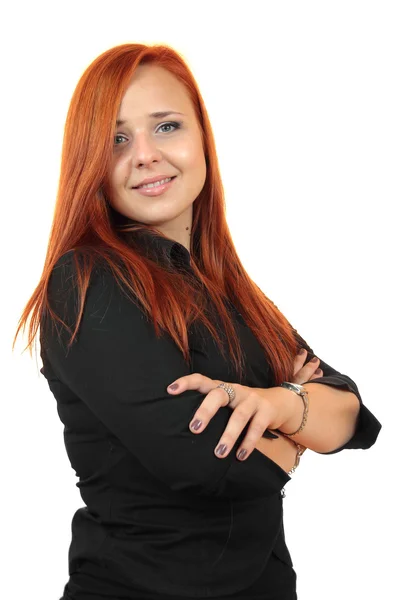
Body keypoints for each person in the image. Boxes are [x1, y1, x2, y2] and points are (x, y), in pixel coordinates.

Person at [13, 43, 382, 600]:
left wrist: (276, 407)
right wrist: (301, 428)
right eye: (117, 139)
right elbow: (210, 466)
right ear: (89, 159)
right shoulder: (85, 280)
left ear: (202, 138)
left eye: (166, 127)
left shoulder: (230, 287)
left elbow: (353, 418)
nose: (144, 155)